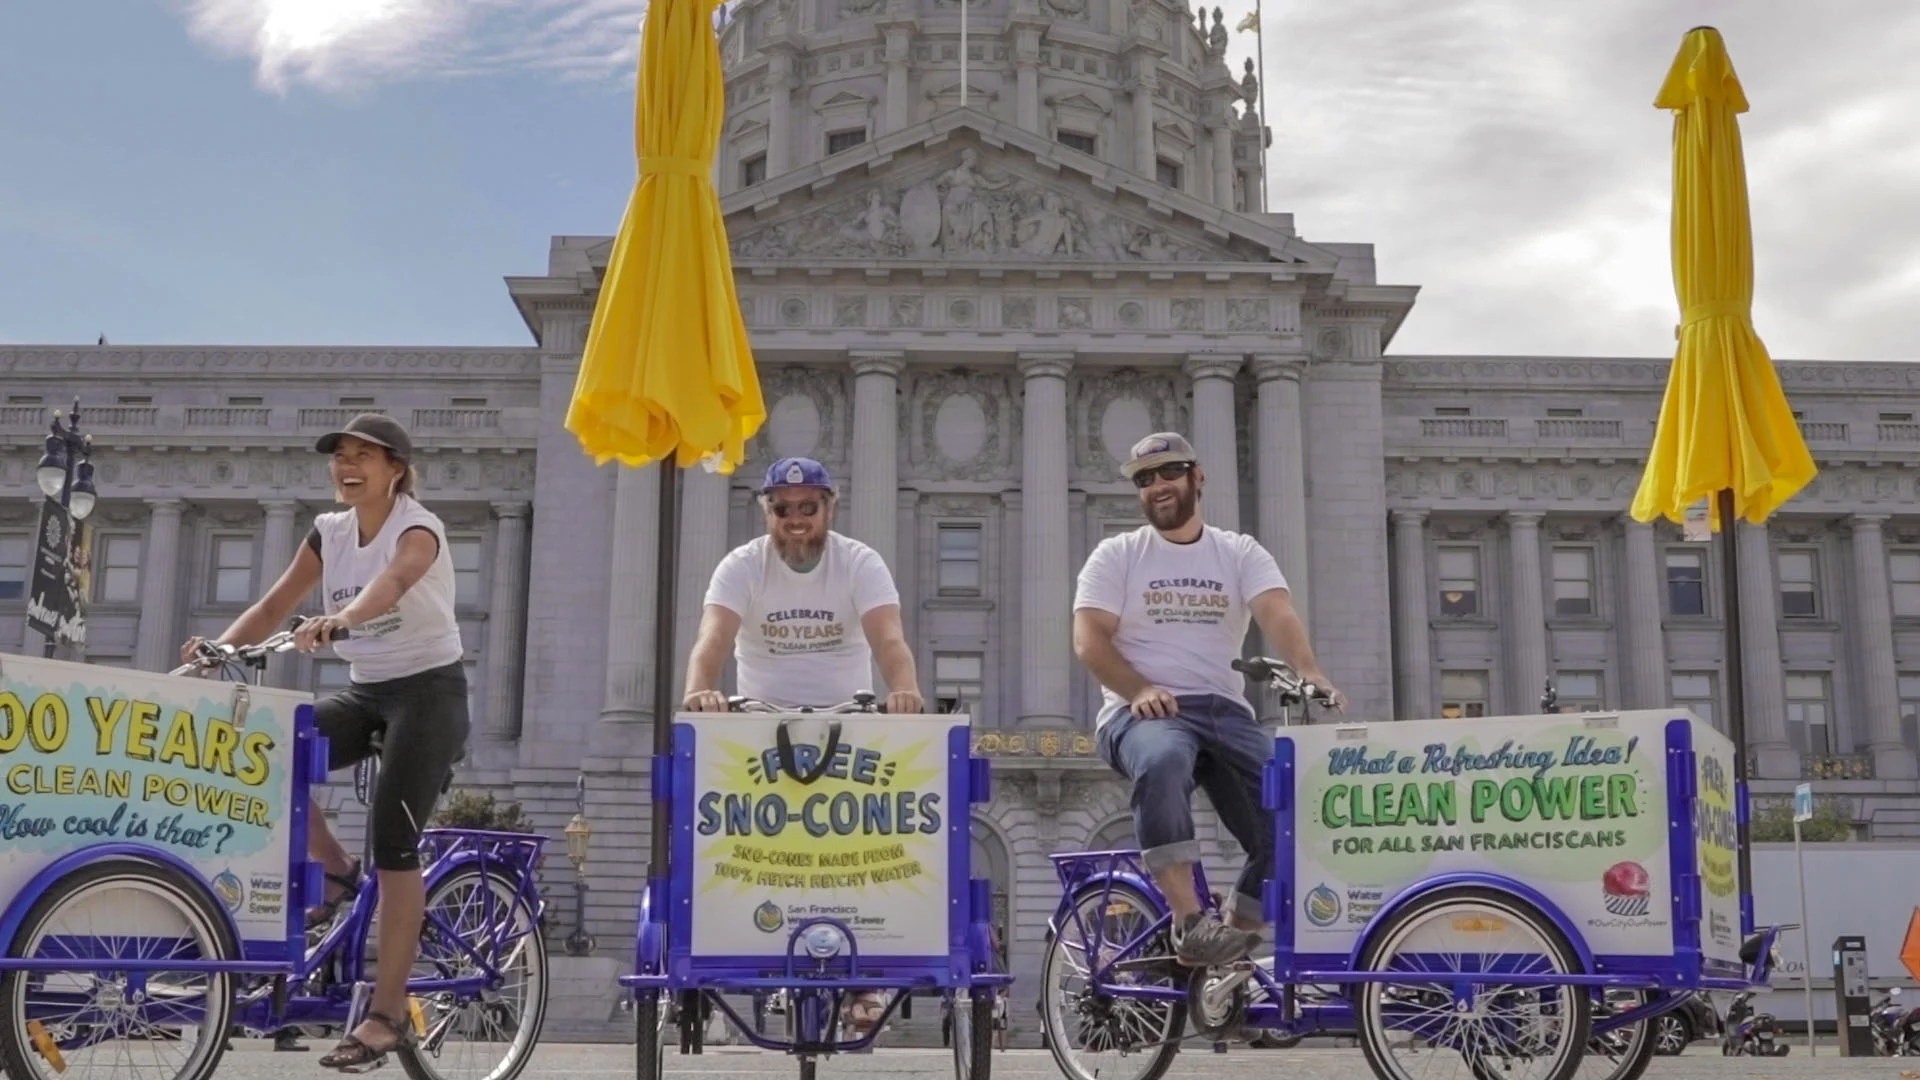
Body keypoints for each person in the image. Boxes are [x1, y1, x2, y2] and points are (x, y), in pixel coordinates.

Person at [182, 413, 469, 1072]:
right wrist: (222, 648)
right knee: (267, 759)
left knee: (394, 844)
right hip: (369, 693)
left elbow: (393, 581)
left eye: (363, 455)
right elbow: (275, 605)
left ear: (395, 468)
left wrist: (344, 618)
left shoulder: (418, 527)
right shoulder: (329, 531)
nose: (347, 465)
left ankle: (388, 1011)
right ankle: (337, 874)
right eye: (340, 455)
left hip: (429, 694)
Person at [1072, 432, 1345, 967]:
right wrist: (1139, 689)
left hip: (1224, 712)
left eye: (1168, 473)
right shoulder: (1118, 555)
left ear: (1198, 477)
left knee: (1294, 810)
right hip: (1142, 713)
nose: (1157, 487)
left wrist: (1311, 672)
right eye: (1144, 480)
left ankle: (1230, 961)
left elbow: (1276, 613)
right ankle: (1189, 922)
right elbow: (1089, 640)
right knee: (1164, 757)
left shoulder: (1238, 552)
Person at [683, 456, 924, 1033]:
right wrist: (699, 690)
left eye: (807, 508)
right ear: (767, 510)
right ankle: (757, 948)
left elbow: (888, 638)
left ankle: (864, 979)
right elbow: (712, 638)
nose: (796, 519)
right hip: (762, 727)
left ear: (828, 507)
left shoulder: (858, 561)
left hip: (847, 724)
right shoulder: (742, 565)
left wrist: (906, 689)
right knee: (750, 836)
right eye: (782, 508)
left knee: (865, 839)